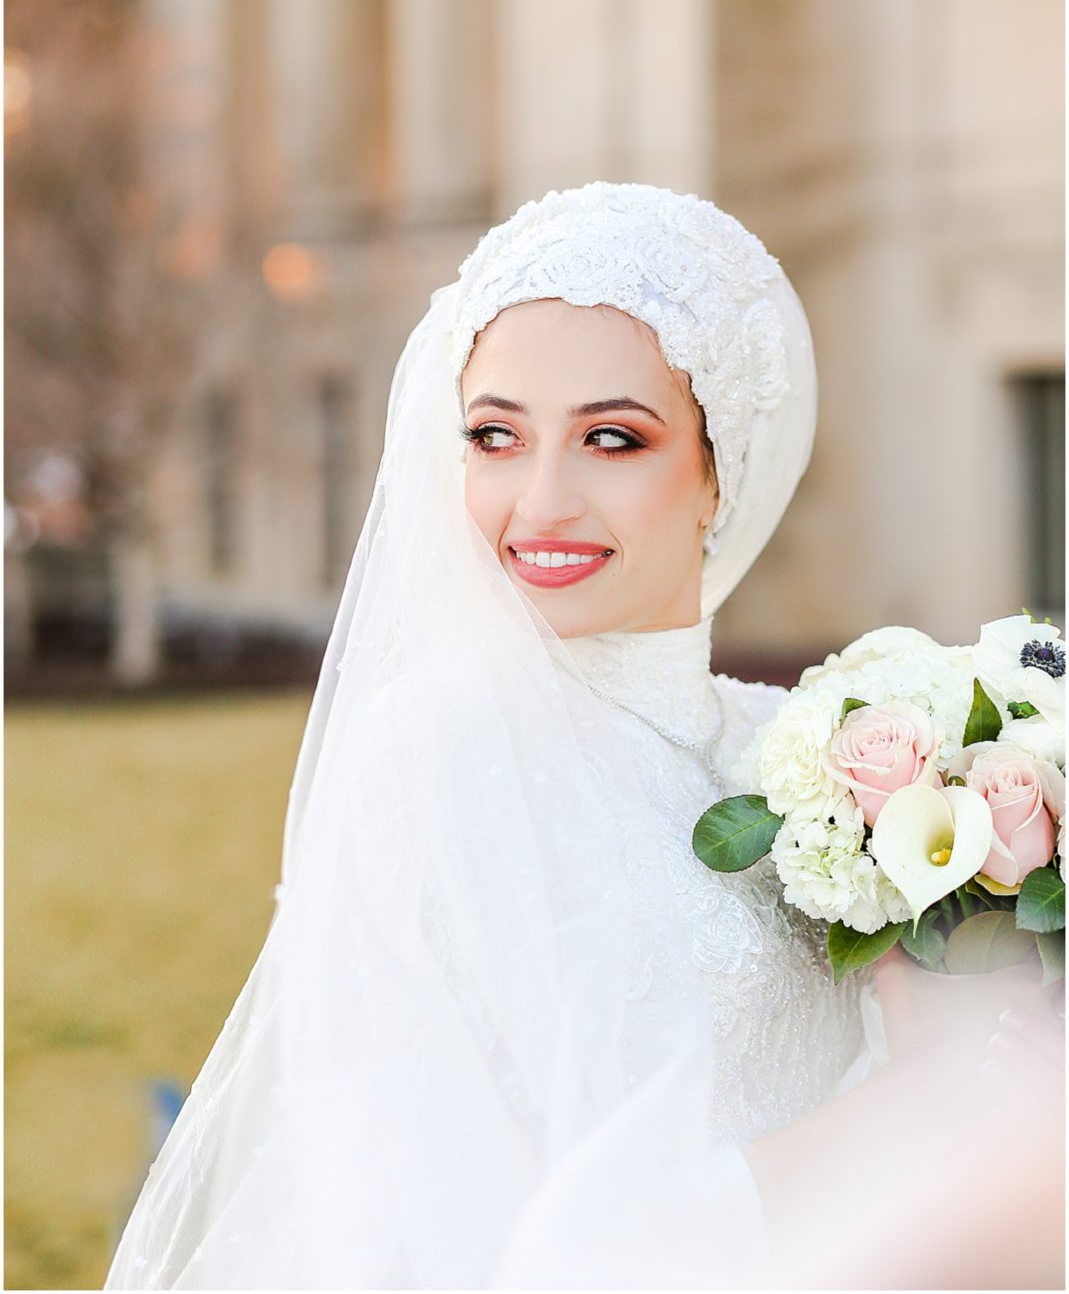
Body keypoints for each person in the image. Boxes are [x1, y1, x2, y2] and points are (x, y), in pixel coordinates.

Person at [104, 182, 1063, 1291]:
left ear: (717, 472)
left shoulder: (813, 753)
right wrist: (916, 1112)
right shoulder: (440, 759)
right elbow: (490, 1238)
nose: (540, 500)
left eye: (611, 438)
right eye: (495, 437)